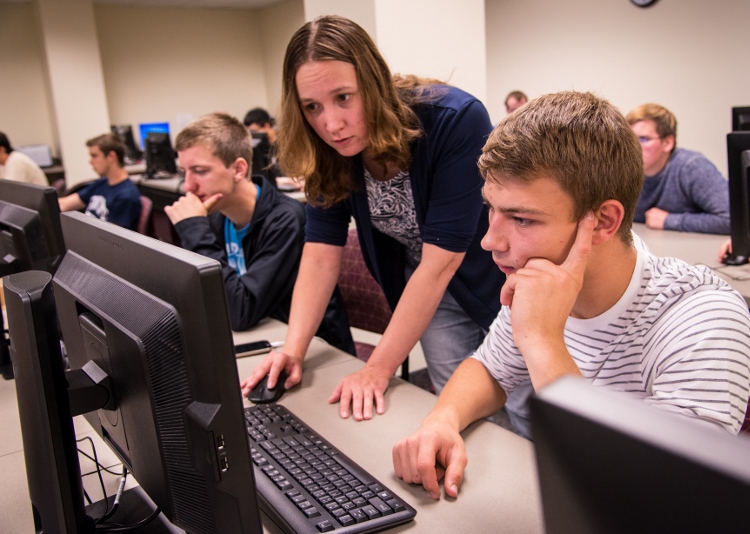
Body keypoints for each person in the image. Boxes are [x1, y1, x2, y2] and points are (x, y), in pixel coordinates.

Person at [392, 91, 750, 501]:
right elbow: (489, 370)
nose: (490, 241)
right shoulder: (540, 280)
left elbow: (663, 494)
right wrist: (443, 418)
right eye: (491, 209)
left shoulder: (705, 318)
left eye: (523, 218)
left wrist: (543, 341)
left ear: (602, 221)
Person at [241, 15, 507, 423]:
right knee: (459, 410)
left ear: (373, 81)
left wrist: (377, 368)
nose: (331, 124)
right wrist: (293, 349)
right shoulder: (328, 150)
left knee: (528, 413)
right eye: (312, 107)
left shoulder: (454, 119)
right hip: (428, 287)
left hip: (502, 279)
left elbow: (443, 261)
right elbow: (319, 254)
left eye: (344, 97)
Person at [164, 112, 355, 354]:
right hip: (263, 339)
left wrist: (194, 230)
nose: (189, 186)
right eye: (185, 172)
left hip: (315, 353)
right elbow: (199, 299)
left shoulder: (286, 220)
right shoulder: (215, 217)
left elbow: (241, 311)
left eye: (200, 171)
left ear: (238, 169)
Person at [626, 103, 730, 234]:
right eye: (630, 139)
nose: (633, 147)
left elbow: (730, 219)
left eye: (643, 139)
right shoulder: (623, 170)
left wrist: (669, 220)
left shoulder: (692, 167)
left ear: (668, 143)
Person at [58, 133, 141, 231]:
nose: (90, 161)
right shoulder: (101, 184)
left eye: (94, 156)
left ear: (111, 156)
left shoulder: (126, 196)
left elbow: (113, 240)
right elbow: (64, 204)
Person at [243, 107, 280, 189]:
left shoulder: (286, 146)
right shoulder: (256, 150)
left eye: (254, 131)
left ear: (267, 126)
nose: (252, 136)